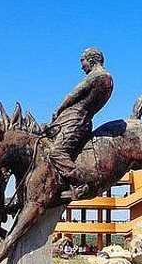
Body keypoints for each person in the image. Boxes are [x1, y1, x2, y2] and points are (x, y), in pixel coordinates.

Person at [44, 47, 113, 199]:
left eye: (82, 61)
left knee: (55, 152)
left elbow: (73, 94)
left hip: (76, 121)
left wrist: (59, 109)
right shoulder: (105, 77)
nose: (81, 66)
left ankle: (80, 182)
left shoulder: (98, 75)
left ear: (91, 60)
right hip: (79, 119)